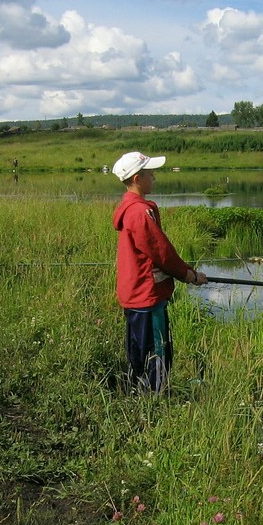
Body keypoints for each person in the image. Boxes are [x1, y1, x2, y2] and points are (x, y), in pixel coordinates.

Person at [112, 151, 207, 393]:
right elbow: (161, 253)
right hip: (147, 295)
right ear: (136, 178)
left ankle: (139, 393)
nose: (154, 176)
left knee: (139, 351)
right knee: (157, 352)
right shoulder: (138, 213)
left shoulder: (132, 208)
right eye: (149, 172)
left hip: (136, 294)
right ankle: (154, 401)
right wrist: (189, 275)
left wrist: (187, 271)